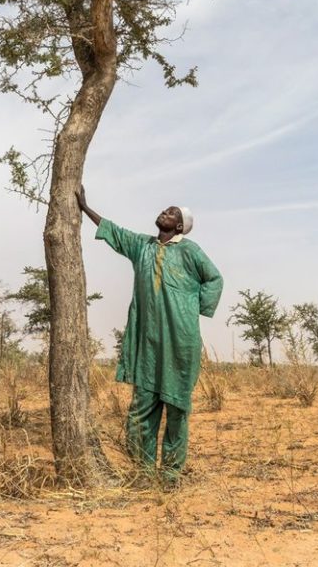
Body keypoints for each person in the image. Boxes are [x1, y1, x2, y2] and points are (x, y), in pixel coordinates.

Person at [76, 185, 223, 484]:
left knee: (177, 410)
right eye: (165, 209)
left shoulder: (190, 251)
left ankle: (170, 476)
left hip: (181, 342)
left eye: (172, 212)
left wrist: (190, 306)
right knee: (141, 410)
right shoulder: (142, 246)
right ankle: (142, 473)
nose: (164, 212)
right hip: (147, 343)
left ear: (179, 226)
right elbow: (114, 233)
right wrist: (84, 207)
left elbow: (214, 278)